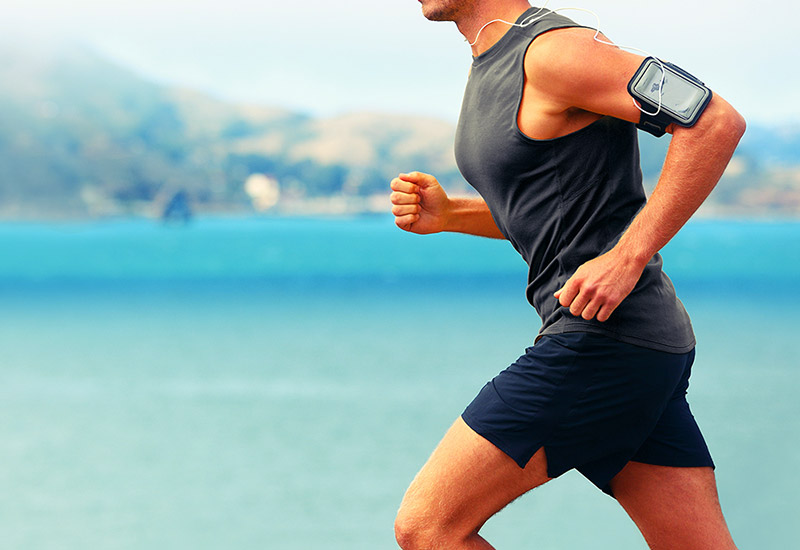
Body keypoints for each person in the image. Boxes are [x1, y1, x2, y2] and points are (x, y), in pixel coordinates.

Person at [389, 1, 745, 549]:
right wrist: (452, 216)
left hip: (604, 339)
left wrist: (628, 257)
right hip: (642, 346)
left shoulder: (557, 51)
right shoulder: (493, 56)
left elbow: (714, 121)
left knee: (430, 529)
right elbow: (559, 209)